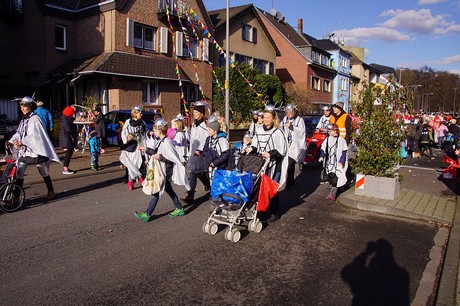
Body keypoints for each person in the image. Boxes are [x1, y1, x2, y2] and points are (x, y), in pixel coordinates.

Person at [134, 119, 189, 222]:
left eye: (154, 130)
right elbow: (156, 152)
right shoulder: (161, 141)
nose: (153, 132)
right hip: (162, 170)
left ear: (159, 131)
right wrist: (145, 149)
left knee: (156, 191)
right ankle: (179, 208)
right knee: (168, 189)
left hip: (165, 171)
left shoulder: (167, 142)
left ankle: (147, 214)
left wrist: (160, 157)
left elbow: (171, 158)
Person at [7, 97, 60, 200]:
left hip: (36, 151)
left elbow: (34, 136)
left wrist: (22, 142)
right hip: (26, 151)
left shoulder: (35, 118)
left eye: (25, 106)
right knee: (19, 171)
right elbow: (19, 133)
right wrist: (11, 141)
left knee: (43, 171)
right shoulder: (23, 119)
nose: (23, 108)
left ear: (30, 107)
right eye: (21, 106)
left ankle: (51, 190)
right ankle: (16, 198)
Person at [246, 104, 287, 222]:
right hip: (261, 164)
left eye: (268, 117)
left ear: (273, 119)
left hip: (274, 164)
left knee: (271, 188)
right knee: (259, 187)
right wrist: (251, 149)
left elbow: (282, 150)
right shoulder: (258, 130)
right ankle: (262, 210)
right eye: (264, 117)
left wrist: (270, 153)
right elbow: (255, 145)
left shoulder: (278, 132)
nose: (266, 119)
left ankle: (274, 211)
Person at [181, 101, 211, 204]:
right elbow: (192, 139)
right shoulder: (194, 125)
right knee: (198, 172)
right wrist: (189, 153)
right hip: (193, 152)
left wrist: (200, 149)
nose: (194, 114)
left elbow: (206, 139)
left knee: (198, 171)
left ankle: (191, 194)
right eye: (193, 112)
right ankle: (196, 192)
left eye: (196, 112)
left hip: (201, 153)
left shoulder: (205, 126)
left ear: (201, 113)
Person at [319, 124, 348, 201]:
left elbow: (344, 152)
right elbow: (323, 149)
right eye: (328, 131)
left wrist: (341, 161)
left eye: (331, 131)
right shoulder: (328, 139)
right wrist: (322, 156)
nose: (329, 133)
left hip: (337, 163)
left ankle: (333, 194)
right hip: (329, 163)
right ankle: (336, 189)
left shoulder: (341, 140)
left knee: (336, 177)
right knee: (330, 177)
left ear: (335, 130)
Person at [281, 104, 306, 189]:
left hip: (295, 145)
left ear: (294, 112)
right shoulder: (285, 119)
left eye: (290, 112)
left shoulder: (299, 120)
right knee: (286, 164)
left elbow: (301, 133)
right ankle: (290, 181)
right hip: (286, 144)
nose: (288, 114)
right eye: (287, 112)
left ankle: (289, 182)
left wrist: (292, 127)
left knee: (290, 163)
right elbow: (281, 129)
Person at [121, 106, 148, 182]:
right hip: (131, 145)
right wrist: (127, 141)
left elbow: (145, 132)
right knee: (130, 161)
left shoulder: (142, 122)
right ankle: (129, 177)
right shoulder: (128, 122)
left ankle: (141, 176)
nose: (141, 114)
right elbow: (124, 133)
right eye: (140, 113)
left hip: (140, 144)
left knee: (141, 161)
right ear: (135, 113)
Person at [59, 106, 78, 174]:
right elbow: (68, 129)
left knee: (69, 153)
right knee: (69, 153)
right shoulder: (65, 120)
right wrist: (74, 131)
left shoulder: (65, 119)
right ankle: (65, 168)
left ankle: (66, 167)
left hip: (66, 138)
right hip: (66, 139)